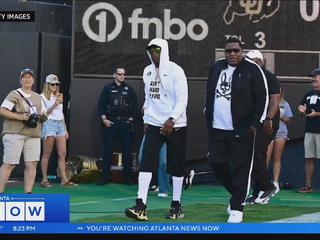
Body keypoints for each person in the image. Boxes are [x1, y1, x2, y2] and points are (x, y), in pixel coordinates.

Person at [205, 38, 268, 223]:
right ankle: (237, 195)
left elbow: (262, 98)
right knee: (216, 162)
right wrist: (207, 115)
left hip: (242, 129)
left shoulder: (253, 70)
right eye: (228, 51)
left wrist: (256, 124)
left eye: (236, 50)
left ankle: (237, 207)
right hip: (218, 128)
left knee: (242, 169)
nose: (232, 54)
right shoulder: (216, 68)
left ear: (242, 51)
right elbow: (209, 94)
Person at [125, 38, 188, 221]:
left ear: (164, 50)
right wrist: (146, 119)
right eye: (151, 50)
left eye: (157, 50)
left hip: (176, 125)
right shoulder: (147, 71)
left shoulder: (176, 71)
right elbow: (149, 98)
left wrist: (172, 119)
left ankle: (176, 206)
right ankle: (140, 205)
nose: (154, 53)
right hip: (154, 123)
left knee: (175, 165)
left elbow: (182, 99)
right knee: (146, 161)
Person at [0, 68, 47, 193]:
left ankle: (28, 195)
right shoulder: (14, 94)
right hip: (14, 133)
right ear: (20, 80)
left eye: (30, 77)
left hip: (33, 134)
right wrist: (20, 116)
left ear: (33, 80)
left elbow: (42, 116)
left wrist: (43, 116)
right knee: (9, 164)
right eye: (24, 77)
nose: (27, 79)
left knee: (32, 164)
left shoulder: (38, 97)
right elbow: (2, 110)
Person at [244, 50, 281, 205]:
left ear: (260, 61)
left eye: (251, 60)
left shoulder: (268, 76)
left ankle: (267, 186)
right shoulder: (249, 76)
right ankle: (258, 191)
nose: (248, 63)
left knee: (254, 153)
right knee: (257, 154)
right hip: (255, 121)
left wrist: (268, 118)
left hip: (267, 122)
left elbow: (274, 100)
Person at [97, 68, 138, 185]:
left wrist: (130, 119)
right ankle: (104, 177)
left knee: (126, 151)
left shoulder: (129, 89)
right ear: (114, 75)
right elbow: (101, 105)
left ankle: (127, 178)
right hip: (111, 122)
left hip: (124, 123)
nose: (122, 76)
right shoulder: (107, 89)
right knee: (107, 150)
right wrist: (104, 119)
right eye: (120, 74)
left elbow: (135, 105)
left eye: (124, 74)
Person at [40, 74, 78, 187]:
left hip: (60, 124)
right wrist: (55, 104)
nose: (55, 86)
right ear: (47, 85)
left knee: (63, 153)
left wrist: (65, 129)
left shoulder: (59, 96)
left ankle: (64, 180)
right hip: (49, 123)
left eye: (57, 84)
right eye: (52, 84)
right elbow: (43, 114)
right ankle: (44, 179)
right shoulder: (42, 97)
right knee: (47, 153)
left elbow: (60, 113)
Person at [266, 85, 293, 192]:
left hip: (281, 132)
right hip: (268, 132)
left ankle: (275, 182)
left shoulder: (285, 104)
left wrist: (281, 116)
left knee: (277, 157)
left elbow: (289, 120)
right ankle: (264, 181)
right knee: (266, 157)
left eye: (280, 91)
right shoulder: (268, 102)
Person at [297, 68, 320, 193]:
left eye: (315, 76)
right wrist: (301, 111)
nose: (313, 79)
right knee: (309, 158)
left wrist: (316, 114)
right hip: (309, 131)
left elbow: (314, 113)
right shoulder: (308, 94)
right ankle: (308, 185)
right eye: (312, 77)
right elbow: (303, 112)